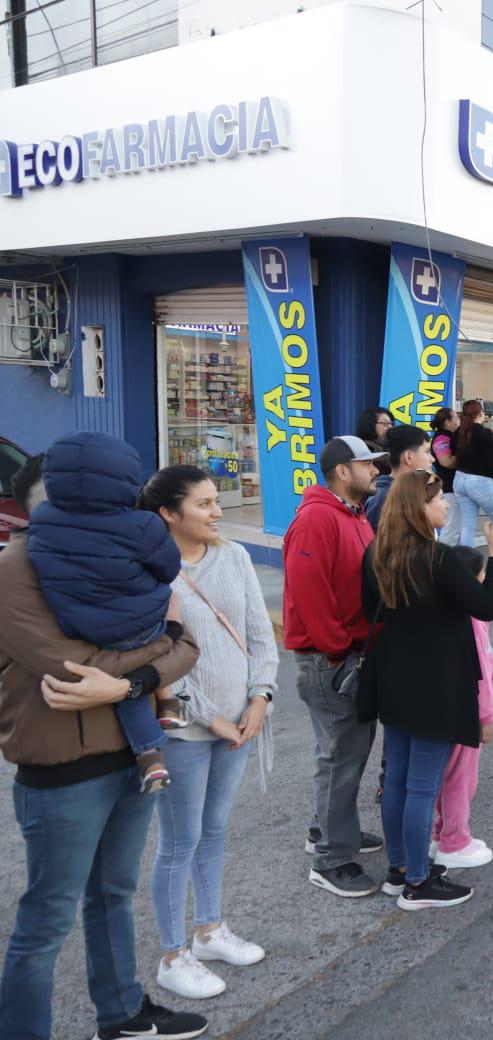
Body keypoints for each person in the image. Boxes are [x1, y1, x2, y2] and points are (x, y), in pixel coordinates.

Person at [0, 446, 206, 1040]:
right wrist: (151, 656)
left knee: (114, 893)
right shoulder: (17, 567)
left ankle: (121, 1015)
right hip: (62, 768)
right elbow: (66, 666)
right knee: (46, 920)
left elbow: (187, 642)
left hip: (133, 756)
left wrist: (127, 681)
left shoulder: (117, 553)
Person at [140, 466, 278, 1001]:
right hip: (185, 731)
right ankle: (172, 955)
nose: (217, 512)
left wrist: (262, 697)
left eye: (216, 501)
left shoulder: (235, 557)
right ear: (168, 515)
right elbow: (160, 656)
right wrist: (209, 716)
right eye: (202, 504)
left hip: (241, 721)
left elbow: (258, 634)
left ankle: (209, 931)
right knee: (179, 842)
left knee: (215, 831)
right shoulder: (152, 573)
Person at [361, 470, 493, 909]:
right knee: (421, 786)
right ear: (417, 508)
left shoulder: (378, 554)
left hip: (395, 678)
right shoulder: (437, 557)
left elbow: (373, 610)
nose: (445, 505)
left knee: (400, 782)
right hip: (434, 683)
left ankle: (400, 868)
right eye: (438, 499)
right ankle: (418, 883)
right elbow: (485, 606)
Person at [24, 433, 186, 794]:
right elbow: (168, 568)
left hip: (78, 624)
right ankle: (165, 709)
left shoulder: (43, 520)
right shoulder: (141, 525)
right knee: (136, 657)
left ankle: (151, 754)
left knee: (119, 664)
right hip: (140, 625)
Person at [283, 435, 386, 899]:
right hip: (331, 659)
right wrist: (339, 648)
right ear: (343, 471)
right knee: (340, 755)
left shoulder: (355, 515)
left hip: (349, 655)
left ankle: (330, 828)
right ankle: (332, 858)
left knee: (347, 753)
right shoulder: (317, 519)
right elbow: (309, 591)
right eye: (368, 464)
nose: (376, 471)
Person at [429, 545, 493, 870]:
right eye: (484, 573)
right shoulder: (474, 618)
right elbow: (481, 674)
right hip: (469, 711)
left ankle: (441, 832)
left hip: (450, 708)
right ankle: (455, 840)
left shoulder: (450, 610)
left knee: (447, 775)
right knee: (461, 778)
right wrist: (486, 716)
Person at [452, 400, 493, 561]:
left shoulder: (459, 432)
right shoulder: (485, 433)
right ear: (480, 413)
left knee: (466, 526)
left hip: (460, 479)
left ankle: (465, 565)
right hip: (481, 482)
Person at [365, 424, 431, 531]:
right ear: (409, 457)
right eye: (427, 452)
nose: (432, 459)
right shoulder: (382, 499)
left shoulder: (416, 491)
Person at [430, 406, 462, 546]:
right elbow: (446, 461)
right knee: (452, 524)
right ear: (447, 422)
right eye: (456, 417)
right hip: (449, 486)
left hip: (453, 485)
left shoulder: (450, 436)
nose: (459, 420)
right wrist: (465, 459)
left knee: (456, 523)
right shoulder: (442, 438)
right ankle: (443, 557)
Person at [356, 407, 394, 476]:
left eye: (391, 423)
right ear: (370, 425)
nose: (390, 427)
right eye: (384, 423)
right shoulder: (365, 449)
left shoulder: (389, 447)